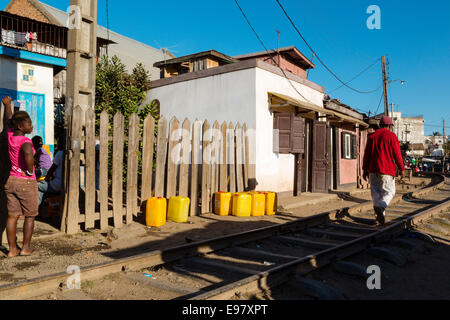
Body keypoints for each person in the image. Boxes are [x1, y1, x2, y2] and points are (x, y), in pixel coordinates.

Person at [2, 96, 38, 257]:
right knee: (30, 215)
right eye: (29, 124)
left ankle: (11, 250)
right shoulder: (25, 141)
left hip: (10, 181)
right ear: (20, 126)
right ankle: (25, 248)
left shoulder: (10, 136)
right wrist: (30, 170)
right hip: (26, 181)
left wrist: (7, 105)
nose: (31, 126)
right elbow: (28, 154)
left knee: (12, 215)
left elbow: (9, 120)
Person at [363, 116, 405, 225]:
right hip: (387, 170)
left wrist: (364, 169)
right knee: (389, 191)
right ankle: (381, 208)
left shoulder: (371, 136)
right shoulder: (392, 136)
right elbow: (397, 154)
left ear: (380, 125)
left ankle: (379, 216)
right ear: (390, 126)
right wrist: (401, 169)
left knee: (376, 193)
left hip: (373, 170)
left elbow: (366, 155)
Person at [38, 138, 64, 205]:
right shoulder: (70, 153)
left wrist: (46, 180)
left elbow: (52, 169)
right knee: (43, 192)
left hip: (57, 185)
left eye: (58, 143)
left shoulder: (60, 153)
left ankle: (36, 209)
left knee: (35, 185)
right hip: (63, 185)